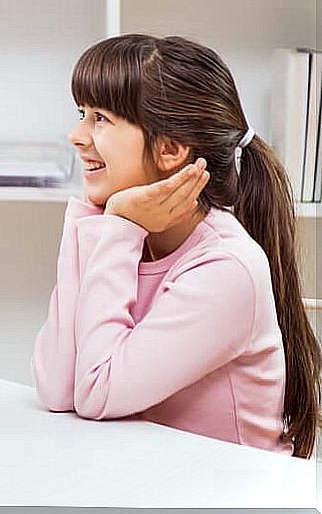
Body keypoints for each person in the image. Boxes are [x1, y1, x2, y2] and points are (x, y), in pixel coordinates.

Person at [31, 34, 320, 458]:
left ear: (169, 149)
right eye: (81, 113)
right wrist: (95, 220)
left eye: (100, 118)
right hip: (162, 486)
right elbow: (58, 387)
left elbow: (96, 391)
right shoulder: (130, 239)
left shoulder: (226, 268)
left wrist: (115, 227)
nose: (76, 135)